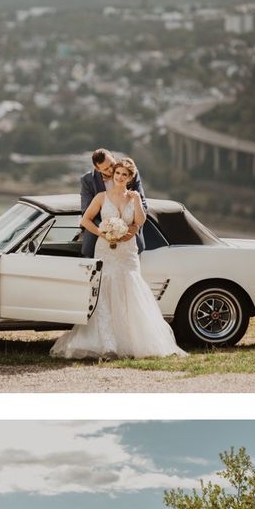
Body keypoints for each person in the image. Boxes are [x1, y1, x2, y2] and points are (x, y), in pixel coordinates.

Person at [50, 157, 187, 360]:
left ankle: (133, 343)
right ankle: (108, 345)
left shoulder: (134, 197)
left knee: (130, 290)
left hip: (128, 250)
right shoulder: (101, 197)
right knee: (104, 293)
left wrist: (136, 202)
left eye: (124, 175)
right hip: (105, 248)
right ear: (112, 176)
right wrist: (102, 232)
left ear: (130, 178)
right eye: (117, 174)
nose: (120, 178)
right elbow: (85, 220)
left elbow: (140, 221)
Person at [80, 148, 148, 258]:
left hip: (130, 240)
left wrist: (135, 227)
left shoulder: (129, 171)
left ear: (113, 156)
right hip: (101, 240)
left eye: (112, 164)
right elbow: (87, 213)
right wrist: (107, 231)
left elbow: (143, 204)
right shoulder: (87, 181)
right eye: (106, 169)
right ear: (97, 169)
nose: (111, 170)